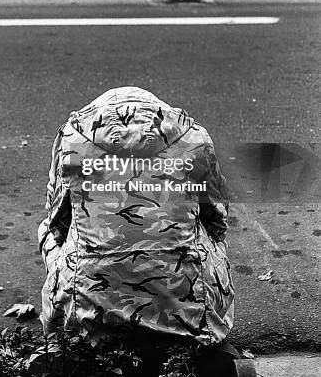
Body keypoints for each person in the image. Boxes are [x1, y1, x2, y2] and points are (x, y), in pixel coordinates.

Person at [38, 87, 242, 376]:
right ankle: (193, 318)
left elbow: (57, 222)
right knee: (210, 238)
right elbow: (217, 221)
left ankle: (80, 313)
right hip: (189, 315)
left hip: (86, 312)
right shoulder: (194, 139)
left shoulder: (72, 140)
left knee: (47, 231)